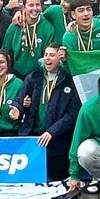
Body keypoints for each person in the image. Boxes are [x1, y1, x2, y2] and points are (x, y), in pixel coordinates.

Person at [16, 44, 81, 181]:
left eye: (52, 55)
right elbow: (21, 99)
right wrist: (18, 108)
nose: (47, 58)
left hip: (58, 137)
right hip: (34, 135)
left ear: (60, 58)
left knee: (57, 177)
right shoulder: (34, 77)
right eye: (46, 55)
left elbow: (73, 114)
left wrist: (52, 131)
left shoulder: (69, 81)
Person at [3, 0, 57, 78]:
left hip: (39, 75)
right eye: (31, 5)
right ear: (23, 7)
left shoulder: (48, 28)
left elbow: (49, 54)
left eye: (38, 5)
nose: (35, 8)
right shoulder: (15, 26)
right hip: (16, 74)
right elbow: (6, 51)